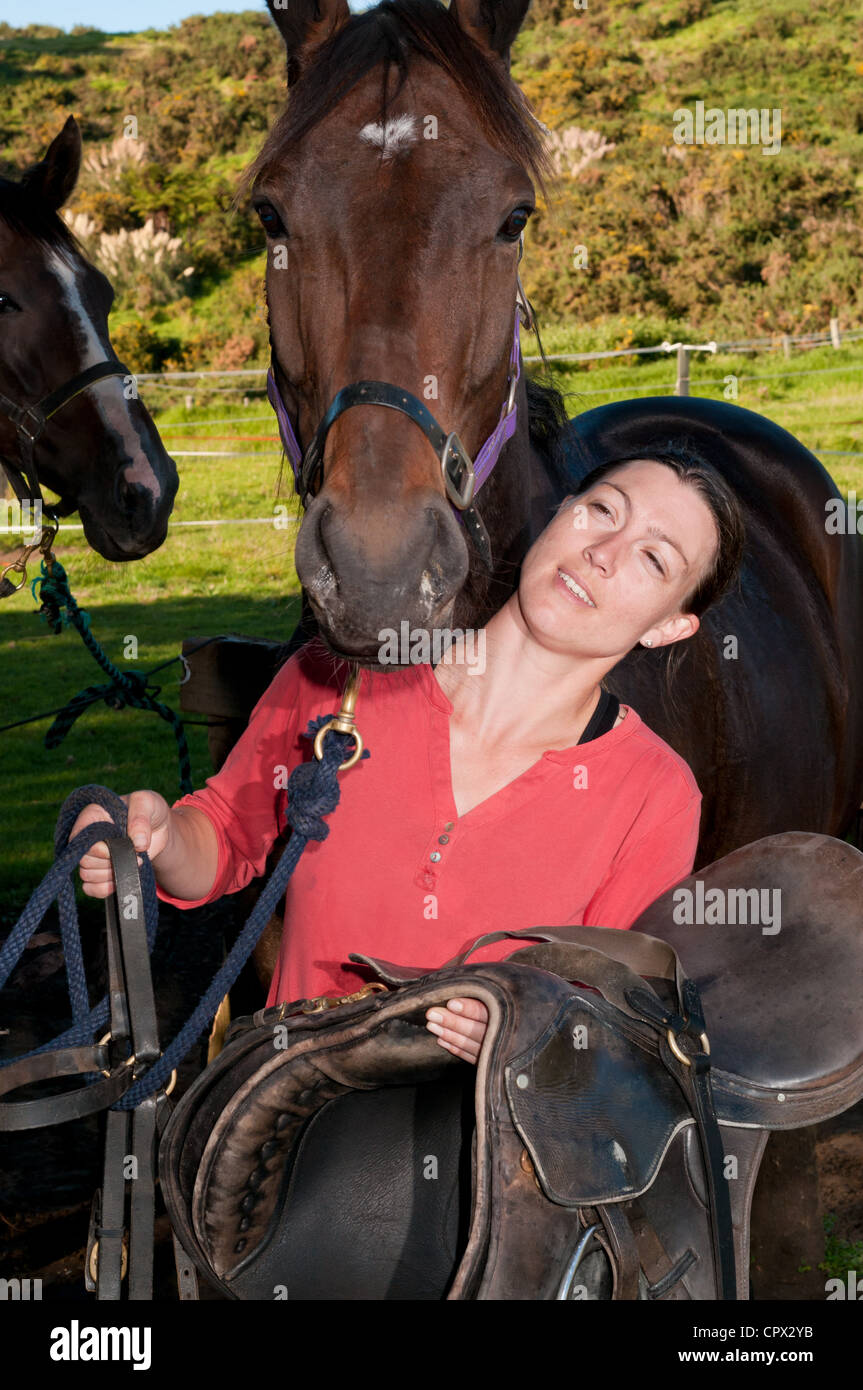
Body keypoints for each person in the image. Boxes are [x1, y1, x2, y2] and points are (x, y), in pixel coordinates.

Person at [71, 448, 745, 1066]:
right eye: (601, 509)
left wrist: (529, 1034)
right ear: (562, 514)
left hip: (484, 1162)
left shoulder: (654, 795)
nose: (603, 551)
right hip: (283, 1124)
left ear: (668, 626)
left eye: (653, 559)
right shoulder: (340, 680)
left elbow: (606, 1020)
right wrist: (155, 835)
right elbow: (219, 839)